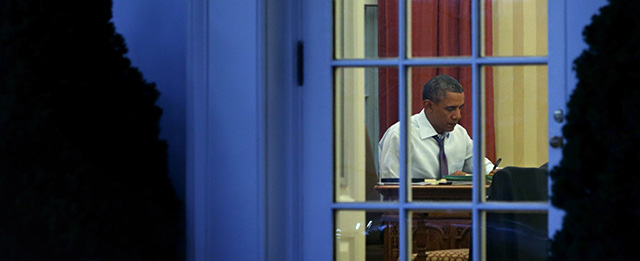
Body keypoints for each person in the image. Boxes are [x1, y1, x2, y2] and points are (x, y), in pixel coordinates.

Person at [378, 74, 497, 179]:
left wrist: (494, 173)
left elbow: (483, 167)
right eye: (450, 109)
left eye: (460, 108)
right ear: (429, 106)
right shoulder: (399, 136)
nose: (458, 116)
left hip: (457, 203)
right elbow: (391, 189)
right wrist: (445, 185)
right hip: (416, 204)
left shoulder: (459, 133)